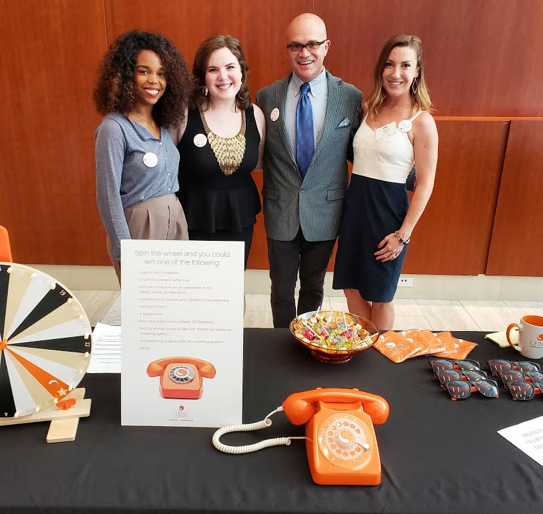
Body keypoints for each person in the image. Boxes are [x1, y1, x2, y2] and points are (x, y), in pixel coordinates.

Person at [256, 13, 362, 328]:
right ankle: (281, 347)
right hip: (280, 208)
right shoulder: (267, 96)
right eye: (296, 46)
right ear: (287, 49)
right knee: (281, 289)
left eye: (313, 44)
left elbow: (361, 154)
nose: (305, 53)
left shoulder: (350, 97)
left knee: (313, 287)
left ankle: (307, 340)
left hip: (326, 210)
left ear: (326, 46)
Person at [333, 34, 439, 329]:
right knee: (350, 285)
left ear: (417, 71)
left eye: (406, 65)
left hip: (388, 217)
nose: (396, 73)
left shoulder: (422, 121)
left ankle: (377, 362)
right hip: (355, 211)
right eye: (390, 64)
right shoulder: (369, 109)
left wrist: (403, 235)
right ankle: (363, 348)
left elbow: (426, 184)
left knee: (381, 294)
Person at [94, 31, 193, 283]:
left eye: (161, 73)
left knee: (177, 304)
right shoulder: (114, 128)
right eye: (144, 71)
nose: (154, 80)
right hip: (140, 228)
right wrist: (123, 251)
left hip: (176, 222)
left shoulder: (166, 123)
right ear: (126, 75)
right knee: (147, 312)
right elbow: (108, 197)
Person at [171, 35, 265, 270]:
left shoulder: (256, 115)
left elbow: (257, 164)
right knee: (195, 293)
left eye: (230, 67)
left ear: (242, 71)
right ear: (203, 77)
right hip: (193, 217)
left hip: (240, 218)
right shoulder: (182, 115)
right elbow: (167, 171)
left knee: (231, 292)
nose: (223, 76)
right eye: (213, 69)